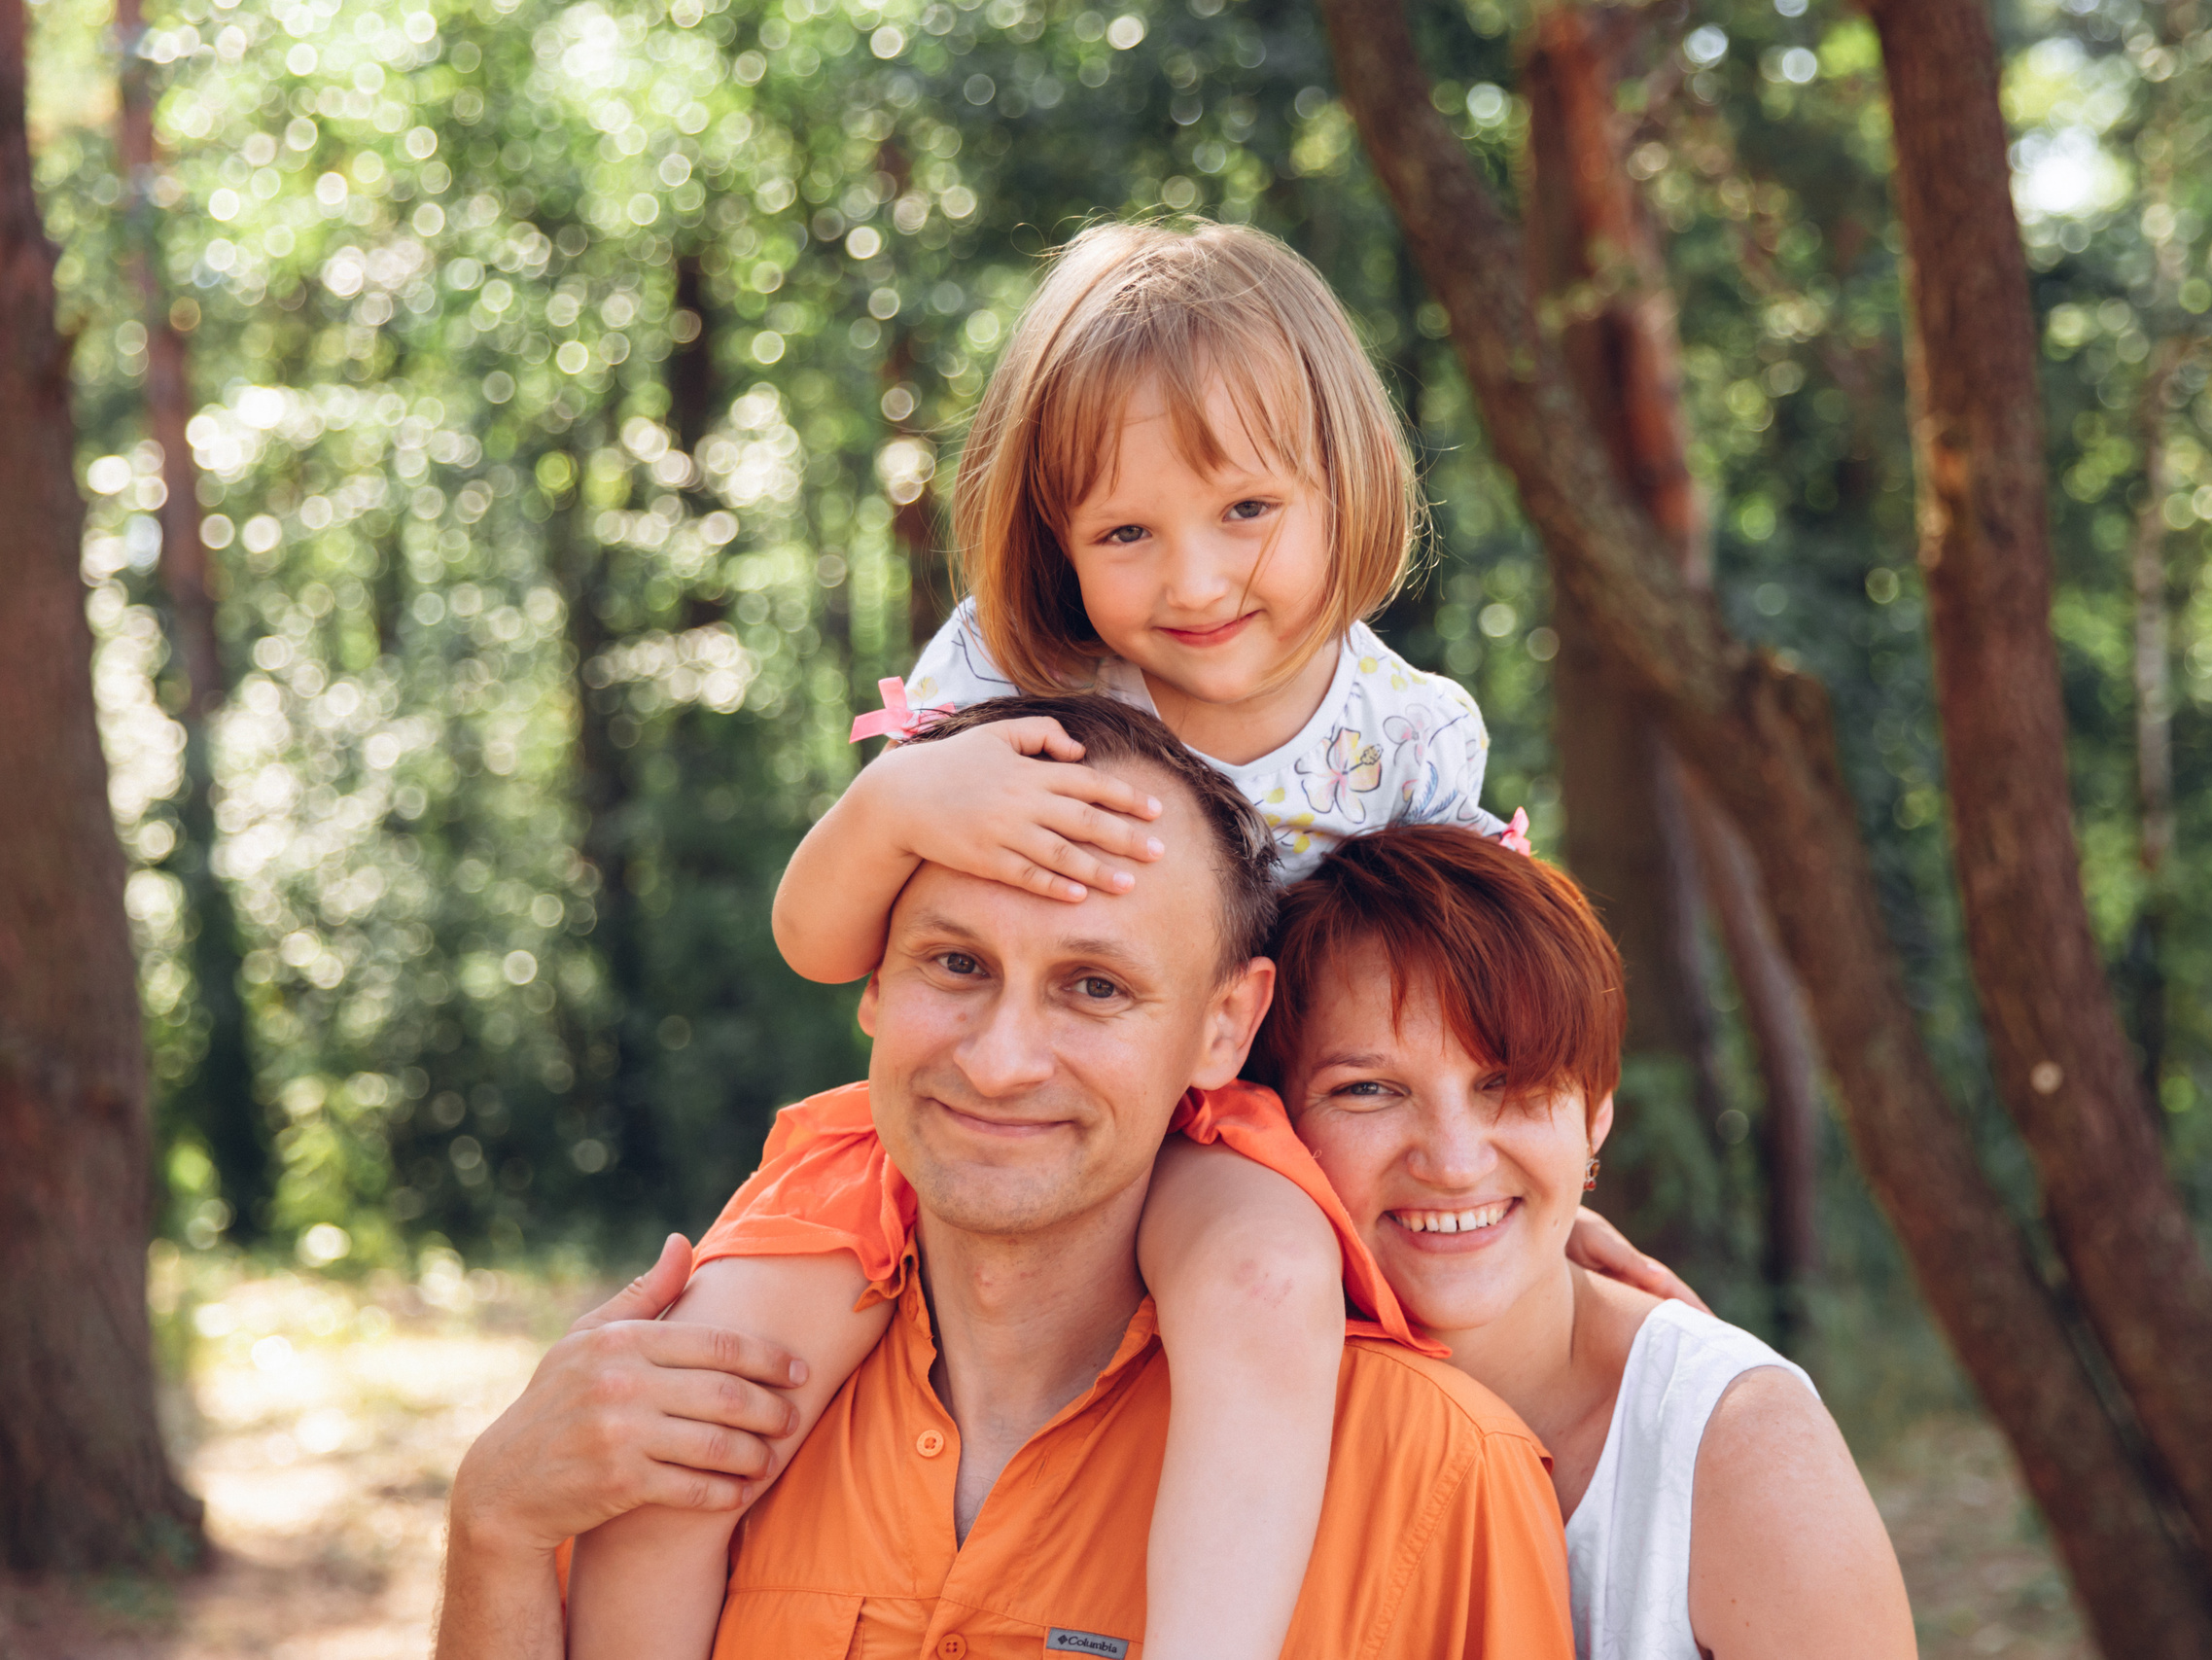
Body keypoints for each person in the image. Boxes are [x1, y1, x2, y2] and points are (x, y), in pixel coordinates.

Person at [572, 219, 1569, 1660]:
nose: (1196, 581)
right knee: (705, 1388)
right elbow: (816, 936)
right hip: (970, 1094)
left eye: (1245, 510)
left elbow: (1471, 1015)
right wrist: (906, 794)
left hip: (1235, 1132)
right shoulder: (1009, 675)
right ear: (1059, 543)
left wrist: (1557, 1218)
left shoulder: (1405, 733)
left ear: (1342, 480)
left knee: (1263, 1287)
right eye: (1126, 533)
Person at [437, 697, 1578, 1660]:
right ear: (873, 983)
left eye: (1094, 988)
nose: (998, 1060)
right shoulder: (695, 1412)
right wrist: (493, 1527)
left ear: (1226, 1030)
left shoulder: (1429, 1474)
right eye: (956, 964)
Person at [1252, 826, 1915, 1659]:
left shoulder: (1740, 1447)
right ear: (1273, 1118)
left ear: (1595, 1111)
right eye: (1370, 1089)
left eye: (1509, 1083)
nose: (1455, 1162)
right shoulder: (1220, 1406)